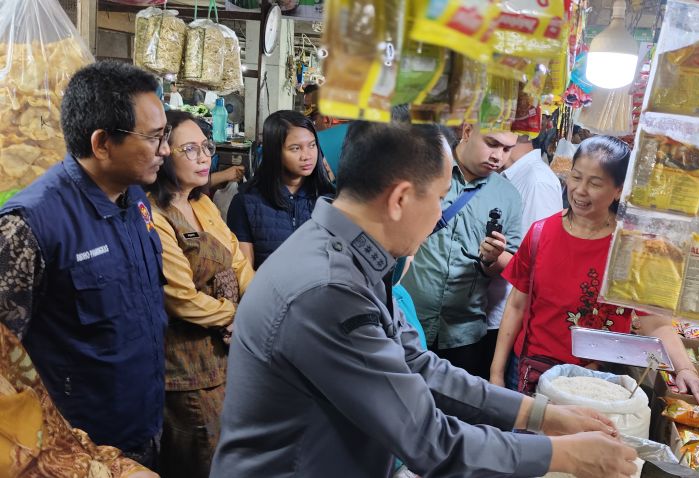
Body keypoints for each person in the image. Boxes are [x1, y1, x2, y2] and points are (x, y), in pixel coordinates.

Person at [210, 121, 638, 478]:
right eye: (438, 197)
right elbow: (428, 440)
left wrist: (542, 415)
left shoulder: (353, 255)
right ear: (399, 199)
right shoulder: (327, 290)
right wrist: (562, 454)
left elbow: (417, 365)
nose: (440, 214)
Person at [0, 61, 170, 469]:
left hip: (143, 427)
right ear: (102, 144)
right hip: (79, 451)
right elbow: (6, 364)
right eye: (154, 138)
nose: (165, 150)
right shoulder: (29, 227)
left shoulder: (136, 201)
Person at [489, 136, 699, 405]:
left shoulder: (635, 249)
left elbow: (655, 322)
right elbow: (517, 305)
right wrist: (496, 375)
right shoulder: (540, 233)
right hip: (528, 372)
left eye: (595, 183)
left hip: (596, 381)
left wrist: (686, 370)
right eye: (576, 177)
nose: (579, 190)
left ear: (618, 190)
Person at [145, 111, 255, 477]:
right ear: (163, 154)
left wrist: (254, 307)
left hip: (227, 360)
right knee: (201, 459)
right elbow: (178, 297)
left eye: (206, 147)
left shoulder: (201, 203)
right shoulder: (154, 214)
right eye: (189, 149)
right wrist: (235, 315)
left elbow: (238, 263)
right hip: (186, 369)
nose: (205, 157)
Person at [401, 123, 523, 379]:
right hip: (406, 322)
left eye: (507, 149)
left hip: (464, 335)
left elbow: (511, 264)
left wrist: (494, 257)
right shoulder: (422, 170)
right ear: (467, 132)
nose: (498, 156)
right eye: (491, 144)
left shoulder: (508, 195)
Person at [0, 322, 157, 478]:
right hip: (90, 408)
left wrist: (121, 468)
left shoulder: (3, 340)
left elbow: (55, 430)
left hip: (133, 417)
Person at [484, 134, 563, 374]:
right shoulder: (509, 175)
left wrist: (494, 258)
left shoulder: (537, 181)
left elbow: (539, 269)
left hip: (505, 318)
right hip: (490, 310)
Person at [226, 110, 335, 269]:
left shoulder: (328, 200)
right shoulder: (246, 202)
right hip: (267, 292)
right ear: (275, 152)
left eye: (312, 145)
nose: (307, 156)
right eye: (295, 148)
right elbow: (245, 273)